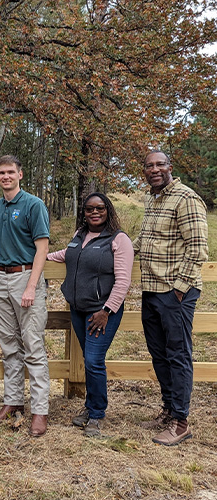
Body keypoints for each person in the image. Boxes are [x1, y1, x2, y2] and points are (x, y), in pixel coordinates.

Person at [133, 150, 208, 446]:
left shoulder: (185, 198)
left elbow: (198, 248)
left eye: (160, 164)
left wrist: (179, 288)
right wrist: (112, 245)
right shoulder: (152, 199)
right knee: (159, 353)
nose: (154, 169)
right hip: (151, 290)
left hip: (175, 292)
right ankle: (168, 409)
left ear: (169, 167)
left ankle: (181, 421)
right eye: (149, 165)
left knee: (178, 355)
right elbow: (144, 240)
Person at [47, 193, 133, 437]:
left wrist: (106, 311)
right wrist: (42, 257)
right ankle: (90, 406)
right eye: (89, 209)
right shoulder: (80, 235)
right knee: (89, 360)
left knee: (94, 361)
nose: (94, 213)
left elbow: (123, 281)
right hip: (78, 309)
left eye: (100, 208)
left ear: (108, 210)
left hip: (102, 312)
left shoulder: (119, 239)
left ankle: (96, 414)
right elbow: (68, 254)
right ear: (83, 212)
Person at [0, 155, 50, 437]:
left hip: (26, 277)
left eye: (11, 172)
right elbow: (1, 244)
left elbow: (42, 248)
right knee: (9, 345)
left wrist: (31, 287)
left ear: (20, 175)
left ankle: (39, 411)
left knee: (33, 346)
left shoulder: (33, 205)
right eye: (1, 173)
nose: (6, 176)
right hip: (1, 278)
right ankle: (12, 402)